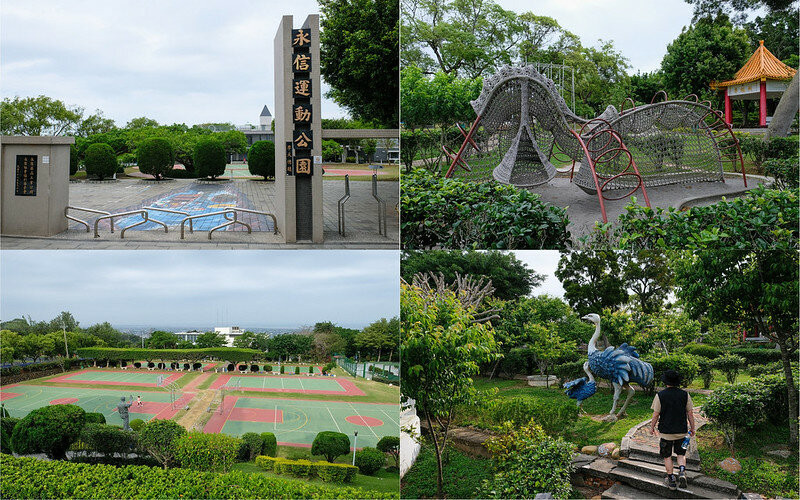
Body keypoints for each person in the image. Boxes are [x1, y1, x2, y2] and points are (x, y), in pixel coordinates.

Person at [649, 369, 696, 491]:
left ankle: (671, 480)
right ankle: (681, 472)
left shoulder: (660, 395)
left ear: (666, 382)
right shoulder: (685, 395)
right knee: (681, 454)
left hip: (666, 433)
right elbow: (690, 414)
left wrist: (652, 427)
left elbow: (655, 415)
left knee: (667, 456)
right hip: (681, 431)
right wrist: (693, 428)